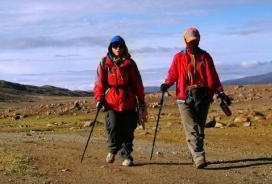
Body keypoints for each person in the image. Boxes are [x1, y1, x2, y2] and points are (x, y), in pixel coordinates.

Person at [160, 27, 232, 169]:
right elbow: (173, 73)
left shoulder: (205, 56)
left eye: (196, 41)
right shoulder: (178, 57)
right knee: (192, 128)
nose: (193, 44)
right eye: (190, 41)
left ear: (199, 40)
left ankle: (195, 154)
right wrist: (167, 83)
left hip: (203, 97)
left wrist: (220, 92)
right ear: (185, 41)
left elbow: (213, 77)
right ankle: (199, 157)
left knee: (200, 128)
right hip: (183, 98)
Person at [94, 35, 148, 166]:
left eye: (120, 46)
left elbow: (137, 83)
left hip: (128, 100)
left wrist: (141, 101)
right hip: (111, 101)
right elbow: (99, 82)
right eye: (115, 46)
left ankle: (126, 156)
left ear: (124, 47)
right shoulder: (104, 63)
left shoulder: (130, 64)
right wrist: (99, 97)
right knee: (113, 126)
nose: (118, 48)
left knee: (128, 129)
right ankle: (113, 149)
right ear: (111, 48)